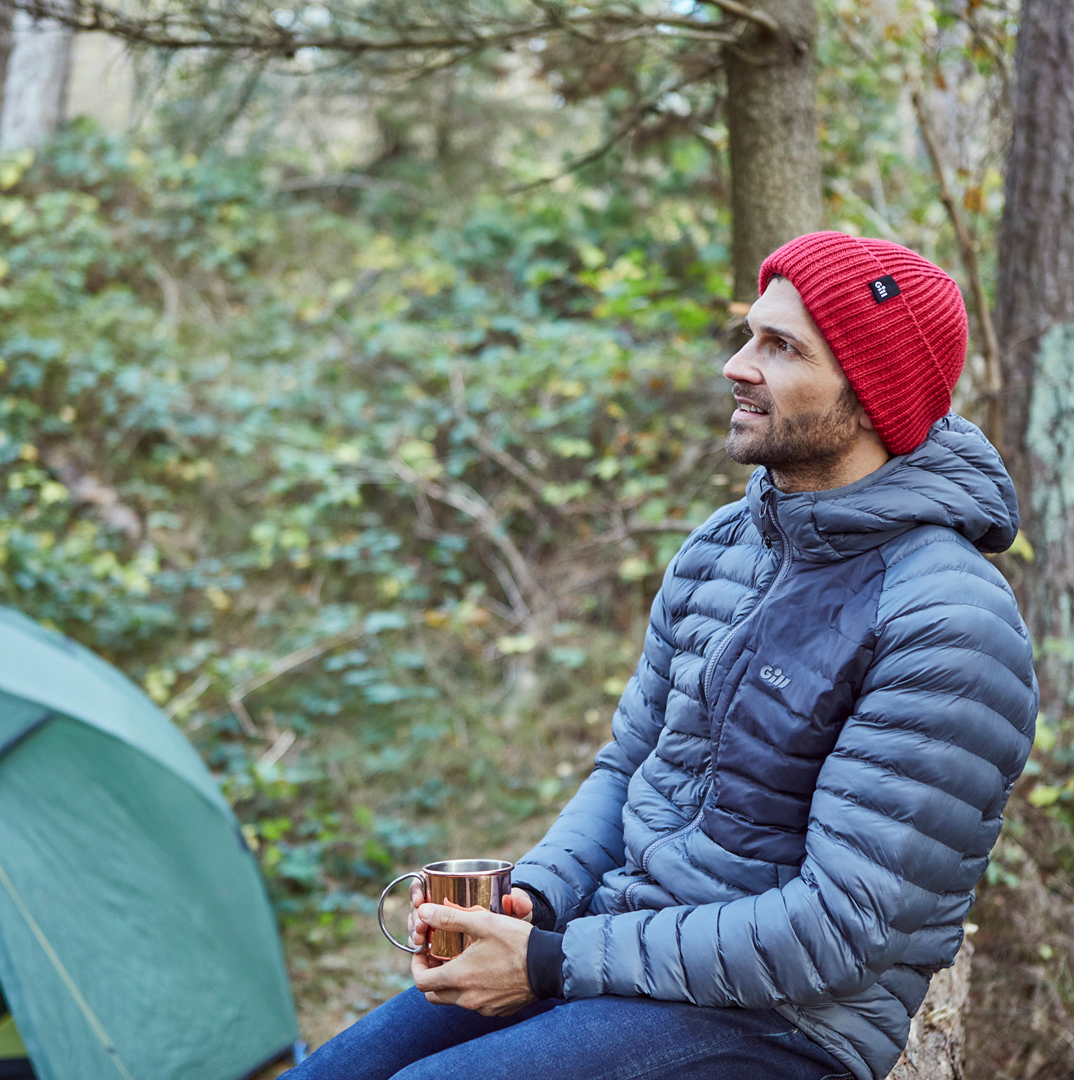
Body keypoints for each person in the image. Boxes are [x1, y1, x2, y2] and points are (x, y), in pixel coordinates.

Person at [283, 231, 1038, 1080]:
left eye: (780, 347)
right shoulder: (727, 546)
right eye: (749, 334)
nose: (737, 365)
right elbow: (628, 766)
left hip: (784, 1026)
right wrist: (540, 897)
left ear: (870, 397)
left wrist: (549, 963)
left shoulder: (947, 617)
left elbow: (839, 928)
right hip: (620, 954)